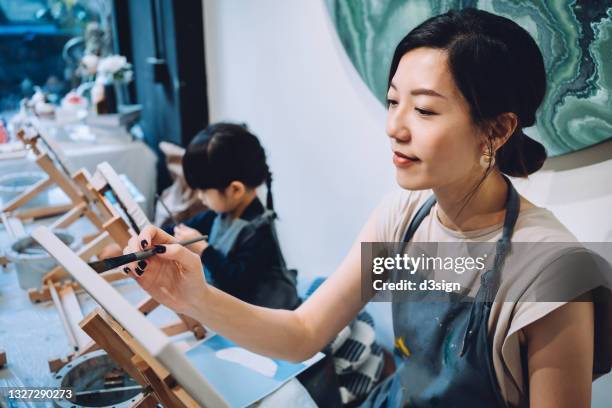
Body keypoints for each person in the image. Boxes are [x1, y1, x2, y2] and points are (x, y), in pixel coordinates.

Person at [121, 9, 611, 407]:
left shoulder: (551, 273)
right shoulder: (405, 212)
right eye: (392, 100)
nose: (394, 127)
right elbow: (302, 333)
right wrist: (192, 295)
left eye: (423, 109)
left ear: (498, 130)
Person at [147, 122, 300, 310]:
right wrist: (154, 237)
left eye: (203, 191)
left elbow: (237, 284)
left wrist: (203, 250)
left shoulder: (259, 231)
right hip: (240, 308)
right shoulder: (220, 213)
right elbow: (179, 229)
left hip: (271, 312)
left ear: (235, 190)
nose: (201, 198)